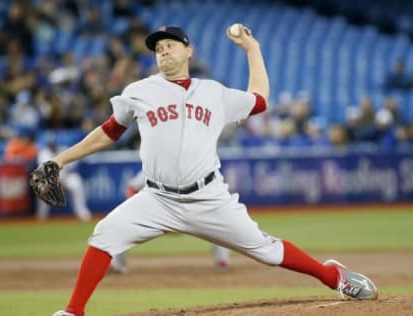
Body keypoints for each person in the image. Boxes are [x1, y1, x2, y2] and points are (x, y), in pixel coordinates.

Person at [44, 24, 377, 316]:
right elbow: (108, 132)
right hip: (157, 198)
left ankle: (333, 276)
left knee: (267, 251)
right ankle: (73, 311)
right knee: (105, 235)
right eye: (158, 49)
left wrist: (253, 49)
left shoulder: (213, 92)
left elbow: (259, 100)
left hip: (208, 197)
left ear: (188, 50)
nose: (163, 52)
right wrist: (60, 161)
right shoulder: (139, 91)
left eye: (169, 45)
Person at [110, 171, 231, 273]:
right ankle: (116, 264)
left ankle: (222, 260)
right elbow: (131, 188)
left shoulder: (197, 168)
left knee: (218, 220)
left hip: (190, 216)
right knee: (125, 227)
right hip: (159, 217)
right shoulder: (155, 168)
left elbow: (216, 192)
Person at [36, 136, 92, 222]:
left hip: (67, 177)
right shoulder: (44, 153)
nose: (52, 146)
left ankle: (82, 213)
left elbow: (72, 167)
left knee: (76, 183)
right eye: (51, 144)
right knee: (42, 187)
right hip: (51, 181)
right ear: (48, 145)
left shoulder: (64, 150)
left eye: (53, 144)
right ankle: (41, 216)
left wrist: (64, 178)